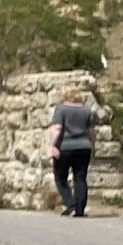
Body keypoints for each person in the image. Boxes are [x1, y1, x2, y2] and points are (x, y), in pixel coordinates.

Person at [51, 88, 98, 218]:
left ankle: (70, 204)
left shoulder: (61, 109)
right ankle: (79, 209)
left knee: (60, 177)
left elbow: (57, 128)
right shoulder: (87, 111)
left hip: (65, 147)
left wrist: (53, 145)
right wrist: (93, 146)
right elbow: (91, 132)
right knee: (80, 178)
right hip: (84, 147)